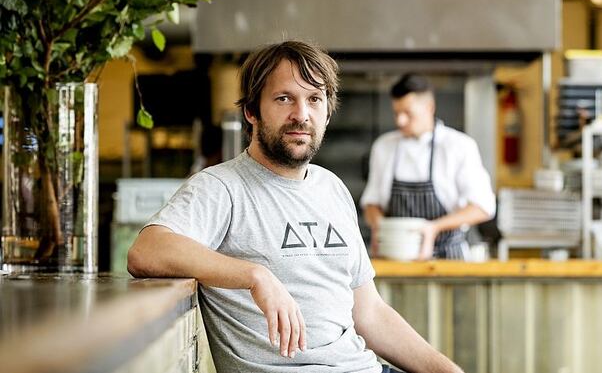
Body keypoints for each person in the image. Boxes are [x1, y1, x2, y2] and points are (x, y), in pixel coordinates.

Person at [127, 41, 462, 373]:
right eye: (284, 98)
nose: (301, 115)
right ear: (251, 111)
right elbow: (146, 251)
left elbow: (370, 314)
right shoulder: (221, 187)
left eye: (314, 99)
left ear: (327, 113)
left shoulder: (332, 188)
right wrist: (255, 276)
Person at [360, 74, 496, 260]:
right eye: (396, 113)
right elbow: (371, 204)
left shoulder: (459, 146)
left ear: (429, 107)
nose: (400, 121)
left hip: (449, 258)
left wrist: (434, 228)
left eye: (408, 113)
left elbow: (483, 207)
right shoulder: (383, 147)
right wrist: (380, 227)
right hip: (396, 259)